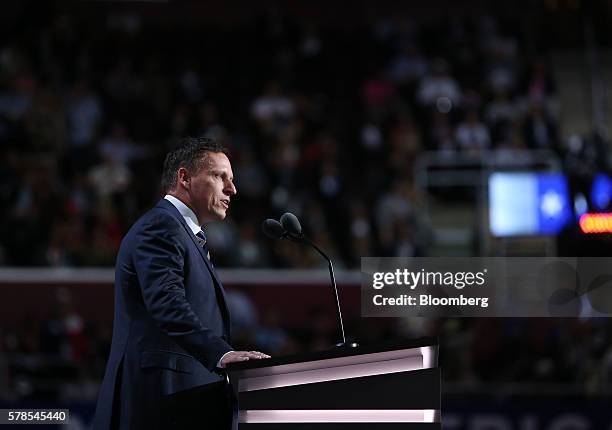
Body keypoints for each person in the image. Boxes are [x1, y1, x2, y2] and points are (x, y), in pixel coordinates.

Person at [92, 137, 270, 429]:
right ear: (185, 177)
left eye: (233, 179)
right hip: (160, 399)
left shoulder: (186, 235)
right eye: (220, 176)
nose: (232, 189)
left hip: (185, 399)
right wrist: (223, 353)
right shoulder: (161, 226)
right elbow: (167, 303)